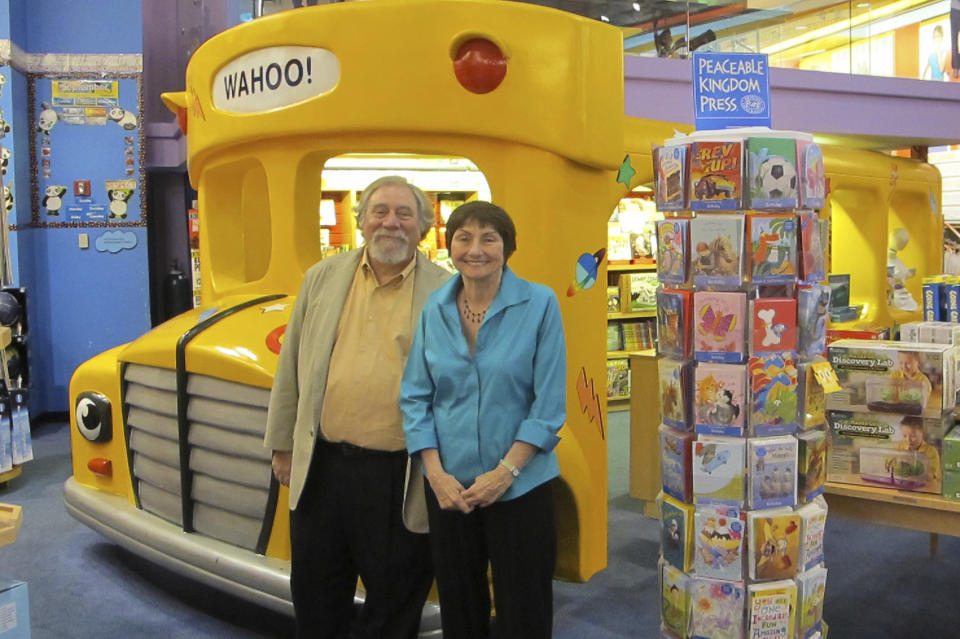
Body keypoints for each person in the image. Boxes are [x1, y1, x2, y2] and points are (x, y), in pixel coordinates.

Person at [263, 175, 450, 639]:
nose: (391, 222)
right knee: (315, 592)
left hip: (399, 475)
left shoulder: (447, 292)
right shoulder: (321, 278)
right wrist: (282, 444)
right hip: (322, 468)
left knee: (395, 599)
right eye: (380, 211)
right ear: (362, 219)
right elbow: (292, 368)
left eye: (404, 214)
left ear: (423, 226)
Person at [401, 201, 566, 638]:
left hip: (521, 485)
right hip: (450, 488)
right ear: (450, 245)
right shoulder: (433, 309)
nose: (475, 249)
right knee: (460, 607)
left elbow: (548, 406)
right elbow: (415, 397)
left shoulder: (540, 303)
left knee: (523, 608)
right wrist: (434, 473)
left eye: (488, 238)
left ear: (507, 247)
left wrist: (504, 473)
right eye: (464, 238)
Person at [896, 416, 941, 486]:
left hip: (925, 487)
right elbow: (891, 467)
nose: (908, 440)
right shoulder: (899, 446)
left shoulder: (931, 451)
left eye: (913, 436)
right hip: (902, 485)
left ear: (922, 433)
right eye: (904, 436)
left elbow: (932, 477)